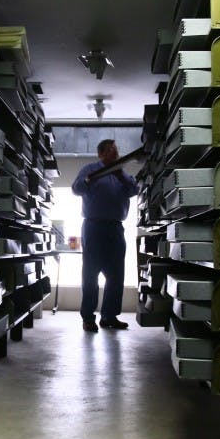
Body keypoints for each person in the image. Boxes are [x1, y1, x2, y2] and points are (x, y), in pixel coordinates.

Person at [71, 139, 139, 332]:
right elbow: (76, 189)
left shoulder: (122, 173)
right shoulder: (90, 169)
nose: (115, 153)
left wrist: (122, 177)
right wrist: (89, 180)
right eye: (111, 150)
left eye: (116, 150)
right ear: (100, 153)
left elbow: (135, 190)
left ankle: (109, 316)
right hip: (94, 227)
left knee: (116, 276)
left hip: (116, 229)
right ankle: (88, 318)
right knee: (90, 274)